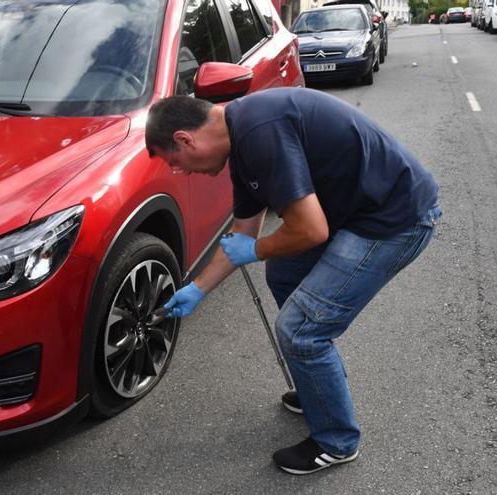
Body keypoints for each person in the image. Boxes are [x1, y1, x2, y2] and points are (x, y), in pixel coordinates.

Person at [145, 87, 441, 475]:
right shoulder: (241, 141)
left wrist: (259, 249)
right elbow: (244, 234)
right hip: (357, 212)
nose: (180, 171)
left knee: (300, 331)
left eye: (176, 162)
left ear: (185, 138)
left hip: (394, 220)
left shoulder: (260, 133)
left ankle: (336, 441)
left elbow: (310, 230)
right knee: (285, 272)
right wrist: (196, 289)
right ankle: (318, 384)